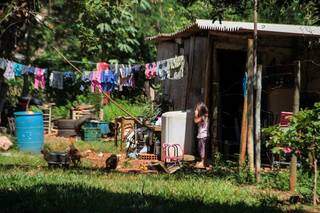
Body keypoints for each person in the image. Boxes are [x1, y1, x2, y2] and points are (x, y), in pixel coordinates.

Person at [194, 102, 209, 168]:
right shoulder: (204, 116)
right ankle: (202, 161)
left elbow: (195, 121)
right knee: (200, 148)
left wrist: (196, 115)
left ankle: (203, 162)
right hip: (202, 135)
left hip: (203, 135)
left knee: (202, 149)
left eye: (197, 110)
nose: (195, 111)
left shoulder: (203, 117)